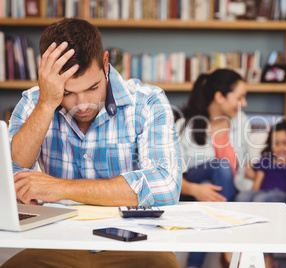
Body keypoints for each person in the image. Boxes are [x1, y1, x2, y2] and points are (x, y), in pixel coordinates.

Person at [3, 18, 181, 268]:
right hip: (57, 241)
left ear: (106, 63)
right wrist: (47, 103)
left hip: (137, 243)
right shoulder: (34, 103)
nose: (82, 103)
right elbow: (8, 180)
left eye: (92, 87)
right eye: (67, 93)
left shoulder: (148, 101)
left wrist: (62, 188)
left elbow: (165, 184)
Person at [175, 69, 254, 268]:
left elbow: (247, 167)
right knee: (217, 169)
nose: (244, 104)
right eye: (240, 97)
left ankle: (193, 265)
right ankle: (228, 249)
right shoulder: (185, 127)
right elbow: (171, 176)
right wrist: (195, 189)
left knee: (215, 179)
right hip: (192, 190)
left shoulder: (242, 122)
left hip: (228, 191)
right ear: (220, 96)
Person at [235, 120, 286, 203]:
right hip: (262, 192)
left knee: (261, 199)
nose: (281, 148)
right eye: (276, 144)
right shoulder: (267, 160)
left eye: (285, 143)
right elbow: (256, 185)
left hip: (283, 195)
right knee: (242, 196)